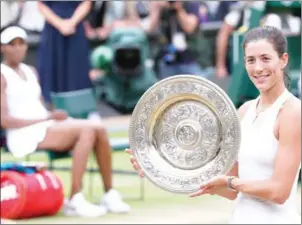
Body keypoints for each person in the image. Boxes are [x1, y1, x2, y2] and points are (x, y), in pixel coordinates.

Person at [126, 26, 301, 224]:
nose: (258, 68)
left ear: (283, 60)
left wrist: (230, 182)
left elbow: (279, 192)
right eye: (251, 60)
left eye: (265, 58)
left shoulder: (292, 112)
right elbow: (229, 189)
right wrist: (157, 170)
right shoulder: (244, 111)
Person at [0, 26, 130, 217]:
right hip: (23, 134)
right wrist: (46, 118)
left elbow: (38, 105)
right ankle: (75, 198)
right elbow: (4, 121)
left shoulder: (31, 71)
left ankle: (109, 193)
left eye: (21, 43)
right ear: (3, 48)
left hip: (44, 125)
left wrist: (52, 114)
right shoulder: (2, 74)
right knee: (86, 130)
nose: (18, 48)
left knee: (98, 128)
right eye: (12, 44)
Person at [36, 1, 93, 106]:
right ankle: (51, 106)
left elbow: (86, 3)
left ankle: (78, 106)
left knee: (76, 67)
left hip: (75, 27)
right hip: (52, 30)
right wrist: (59, 24)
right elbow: (41, 4)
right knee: (52, 67)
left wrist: (72, 22)